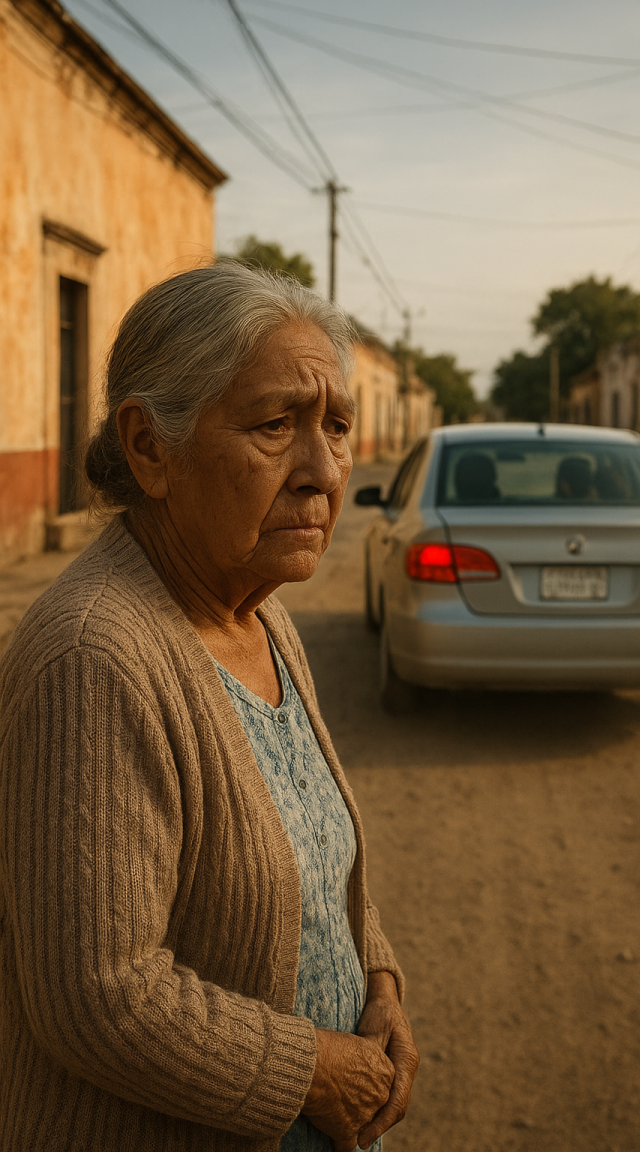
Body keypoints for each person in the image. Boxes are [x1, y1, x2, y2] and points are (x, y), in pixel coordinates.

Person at [0, 264, 418, 1152]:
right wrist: (316, 1068)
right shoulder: (97, 655)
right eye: (275, 426)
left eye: (336, 428)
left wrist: (377, 975)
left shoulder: (256, 611)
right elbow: (96, 995)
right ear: (152, 448)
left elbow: (312, 842)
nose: (321, 473)